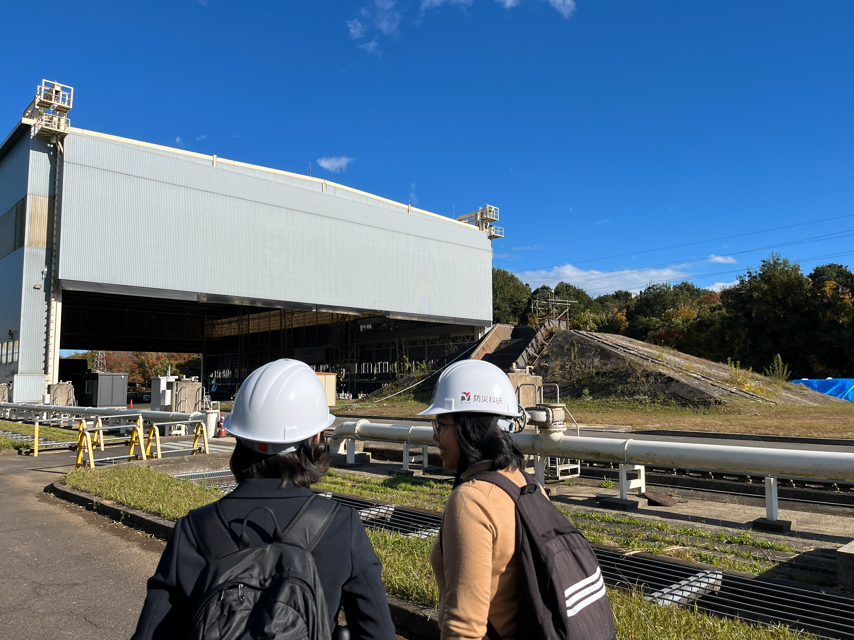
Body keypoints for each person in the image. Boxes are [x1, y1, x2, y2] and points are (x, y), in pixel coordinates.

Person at [132, 359, 396, 640]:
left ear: (237, 436)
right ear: (316, 440)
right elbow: (377, 632)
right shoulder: (341, 525)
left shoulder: (195, 528)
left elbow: (151, 633)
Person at [421, 359, 529, 640]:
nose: (435, 436)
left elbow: (464, 629)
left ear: (470, 428)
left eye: (441, 424)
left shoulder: (472, 501)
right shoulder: (526, 484)